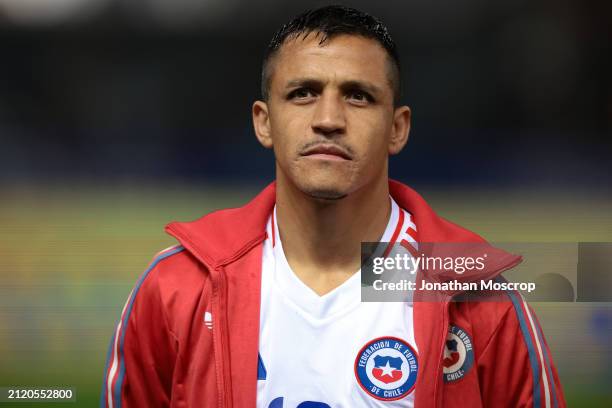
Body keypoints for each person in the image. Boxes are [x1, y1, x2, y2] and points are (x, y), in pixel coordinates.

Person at [100, 5, 565, 407]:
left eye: (358, 96)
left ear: (398, 129)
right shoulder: (175, 289)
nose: (328, 120)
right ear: (264, 122)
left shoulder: (478, 297)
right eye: (302, 93)